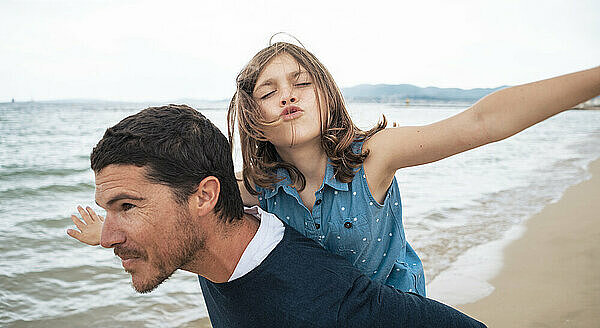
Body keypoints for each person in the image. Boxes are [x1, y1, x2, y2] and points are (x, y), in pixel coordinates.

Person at [71, 38, 600, 296]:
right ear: (252, 117)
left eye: (301, 83)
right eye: (268, 90)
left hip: (396, 316)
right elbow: (184, 210)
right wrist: (115, 229)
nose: (287, 96)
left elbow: (484, 121)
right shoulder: (257, 187)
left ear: (325, 93)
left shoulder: (375, 158)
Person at [75, 105, 486, 327]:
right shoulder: (211, 240)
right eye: (108, 211)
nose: (110, 236)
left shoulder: (325, 298)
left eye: (127, 206)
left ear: (204, 197)